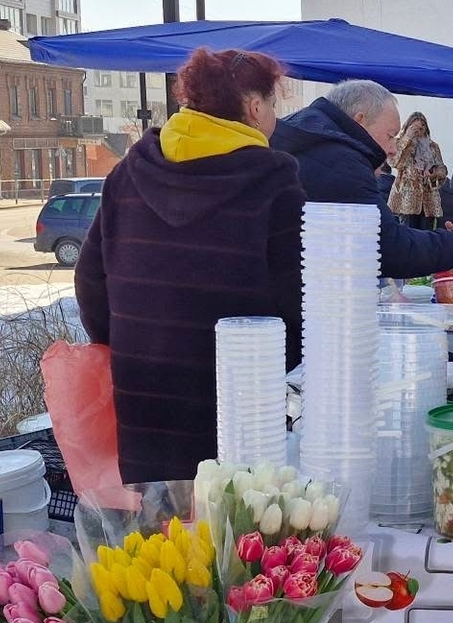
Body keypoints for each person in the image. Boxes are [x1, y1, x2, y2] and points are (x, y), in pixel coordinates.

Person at [75, 48, 309, 485]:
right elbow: (297, 297)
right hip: (235, 394)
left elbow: (91, 280)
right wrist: (272, 365)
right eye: (273, 104)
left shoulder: (128, 173)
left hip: (142, 390)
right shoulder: (273, 182)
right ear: (255, 108)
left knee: (159, 534)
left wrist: (131, 345)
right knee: (234, 530)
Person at [271, 81, 453, 279]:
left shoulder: (301, 132)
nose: (393, 148)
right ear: (360, 120)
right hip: (303, 298)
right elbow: (388, 249)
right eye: (390, 136)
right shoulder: (341, 160)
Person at [389, 112, 449, 230]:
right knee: (408, 235)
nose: (418, 131)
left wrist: (435, 174)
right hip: (407, 198)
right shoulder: (399, 143)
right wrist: (408, 138)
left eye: (421, 128)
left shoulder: (432, 147)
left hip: (428, 199)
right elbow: (396, 163)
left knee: (427, 236)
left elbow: (442, 168)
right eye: (414, 128)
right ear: (408, 127)